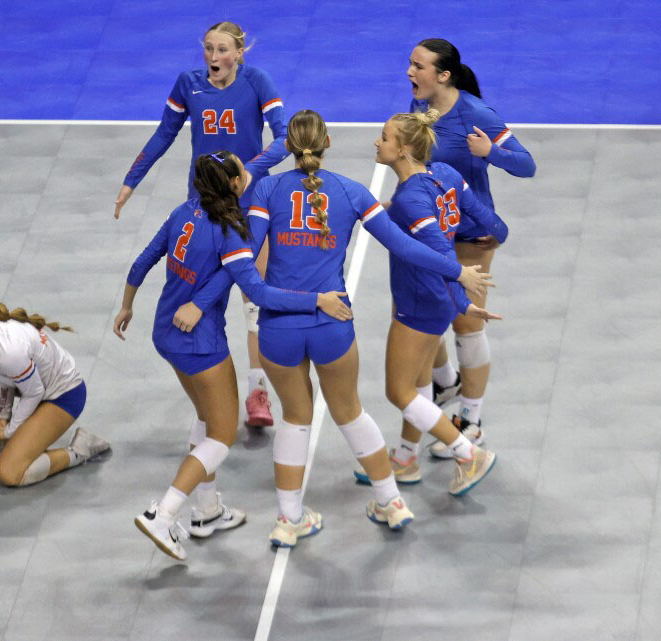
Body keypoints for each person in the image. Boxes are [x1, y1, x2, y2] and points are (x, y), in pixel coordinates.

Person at [181, 110, 496, 547]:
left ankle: (289, 520)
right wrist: (457, 272)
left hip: (278, 330)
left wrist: (199, 303)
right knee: (350, 412)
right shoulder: (352, 192)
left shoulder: (266, 190)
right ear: (327, 143)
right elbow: (405, 245)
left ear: (289, 147)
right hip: (333, 325)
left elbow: (242, 261)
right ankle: (391, 502)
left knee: (295, 419)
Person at [113, 150, 353, 561]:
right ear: (235, 184)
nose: (249, 172)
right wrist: (318, 300)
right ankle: (163, 514)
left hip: (165, 332)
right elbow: (258, 293)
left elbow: (141, 263)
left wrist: (126, 306)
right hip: (201, 343)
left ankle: (207, 511)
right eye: (243, 170)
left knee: (205, 416)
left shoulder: (182, 213)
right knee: (222, 436)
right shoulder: (229, 233)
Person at [114, 21, 290, 427]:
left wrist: (248, 170)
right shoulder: (188, 84)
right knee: (201, 300)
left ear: (240, 53)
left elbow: (284, 138)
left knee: (253, 302)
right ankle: (208, 399)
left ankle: (257, 393)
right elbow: (164, 134)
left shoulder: (257, 81)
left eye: (223, 49)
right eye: (208, 48)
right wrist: (131, 180)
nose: (214, 57)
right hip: (206, 204)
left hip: (250, 206)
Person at [356, 109, 502, 493]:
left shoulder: (410, 199)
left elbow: (440, 251)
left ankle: (468, 454)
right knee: (420, 382)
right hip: (432, 299)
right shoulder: (442, 175)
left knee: (398, 391)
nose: (377, 142)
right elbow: (467, 216)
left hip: (419, 300)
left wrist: (461, 295)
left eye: (385, 137)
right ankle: (406, 459)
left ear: (403, 149)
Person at [407, 38, 536, 456]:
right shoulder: (420, 107)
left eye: (419, 66)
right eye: (411, 64)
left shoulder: (477, 115)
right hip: (430, 233)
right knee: (426, 315)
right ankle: (446, 381)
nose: (410, 72)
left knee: (466, 324)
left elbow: (527, 165)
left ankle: (472, 422)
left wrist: (491, 151)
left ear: (444, 75)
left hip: (470, 237)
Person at [0, 283, 109, 487]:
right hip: (28, 382)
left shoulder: (8, 352)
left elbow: (34, 392)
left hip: (63, 396)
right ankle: (5, 442)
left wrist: (9, 431)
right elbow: (1, 375)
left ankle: (81, 449)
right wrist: (1, 417)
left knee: (10, 474)